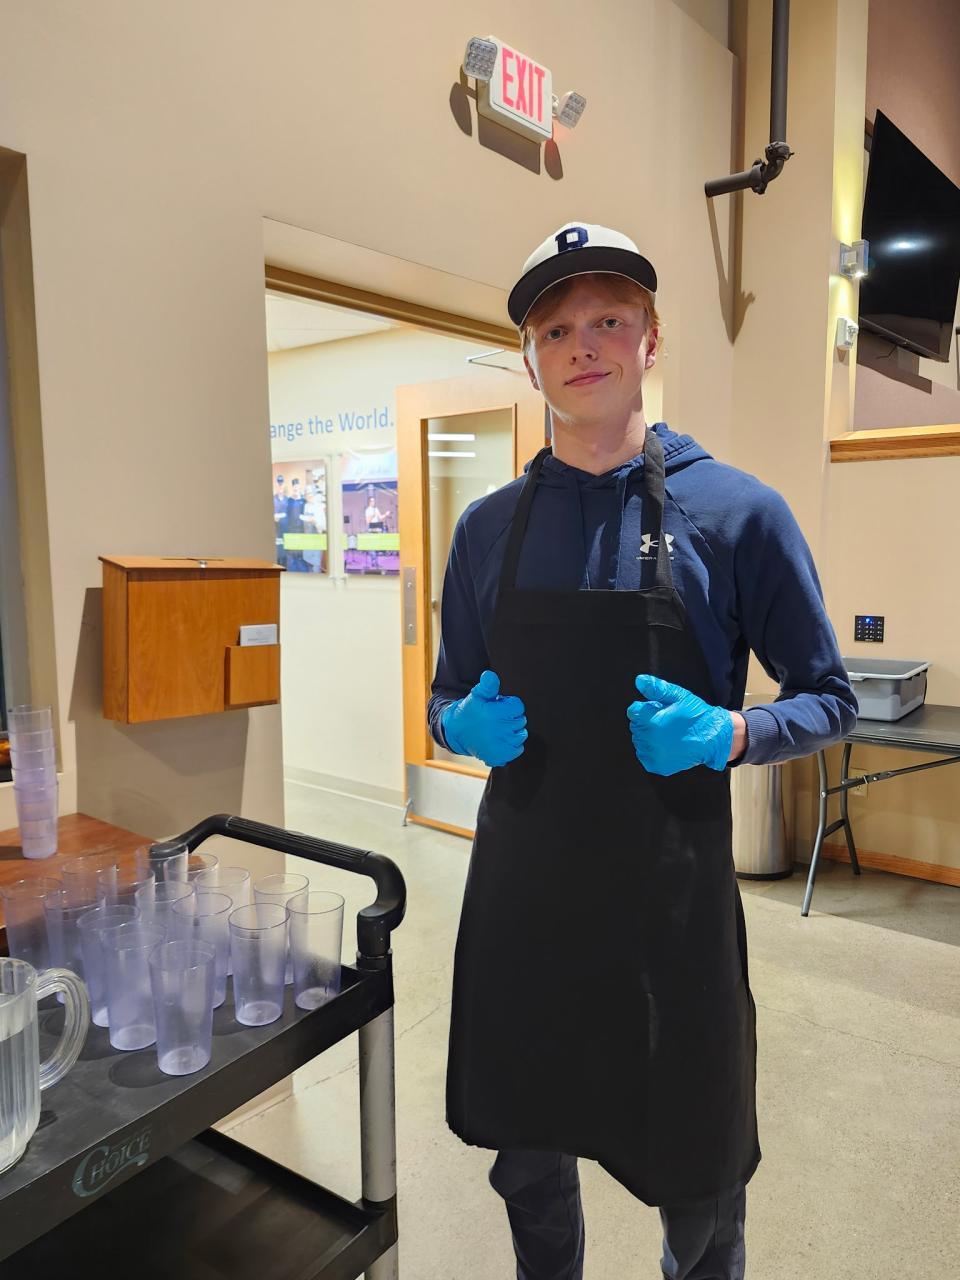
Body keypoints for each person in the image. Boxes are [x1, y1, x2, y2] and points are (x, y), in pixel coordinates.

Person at [427, 222, 858, 1280]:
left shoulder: (739, 513)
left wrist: (734, 731)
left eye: (609, 320)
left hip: (670, 915)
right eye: (555, 329)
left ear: (651, 340)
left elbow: (831, 699)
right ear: (529, 358)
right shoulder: (486, 529)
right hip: (525, 908)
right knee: (529, 1165)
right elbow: (445, 693)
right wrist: (456, 725)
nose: (583, 344)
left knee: (699, 1184)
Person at [273, 473, 287, 568]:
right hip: (276, 529)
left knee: (285, 552)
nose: (280, 486)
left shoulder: (287, 499)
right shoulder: (273, 499)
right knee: (277, 552)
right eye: (279, 484)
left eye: (281, 484)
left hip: (285, 529)